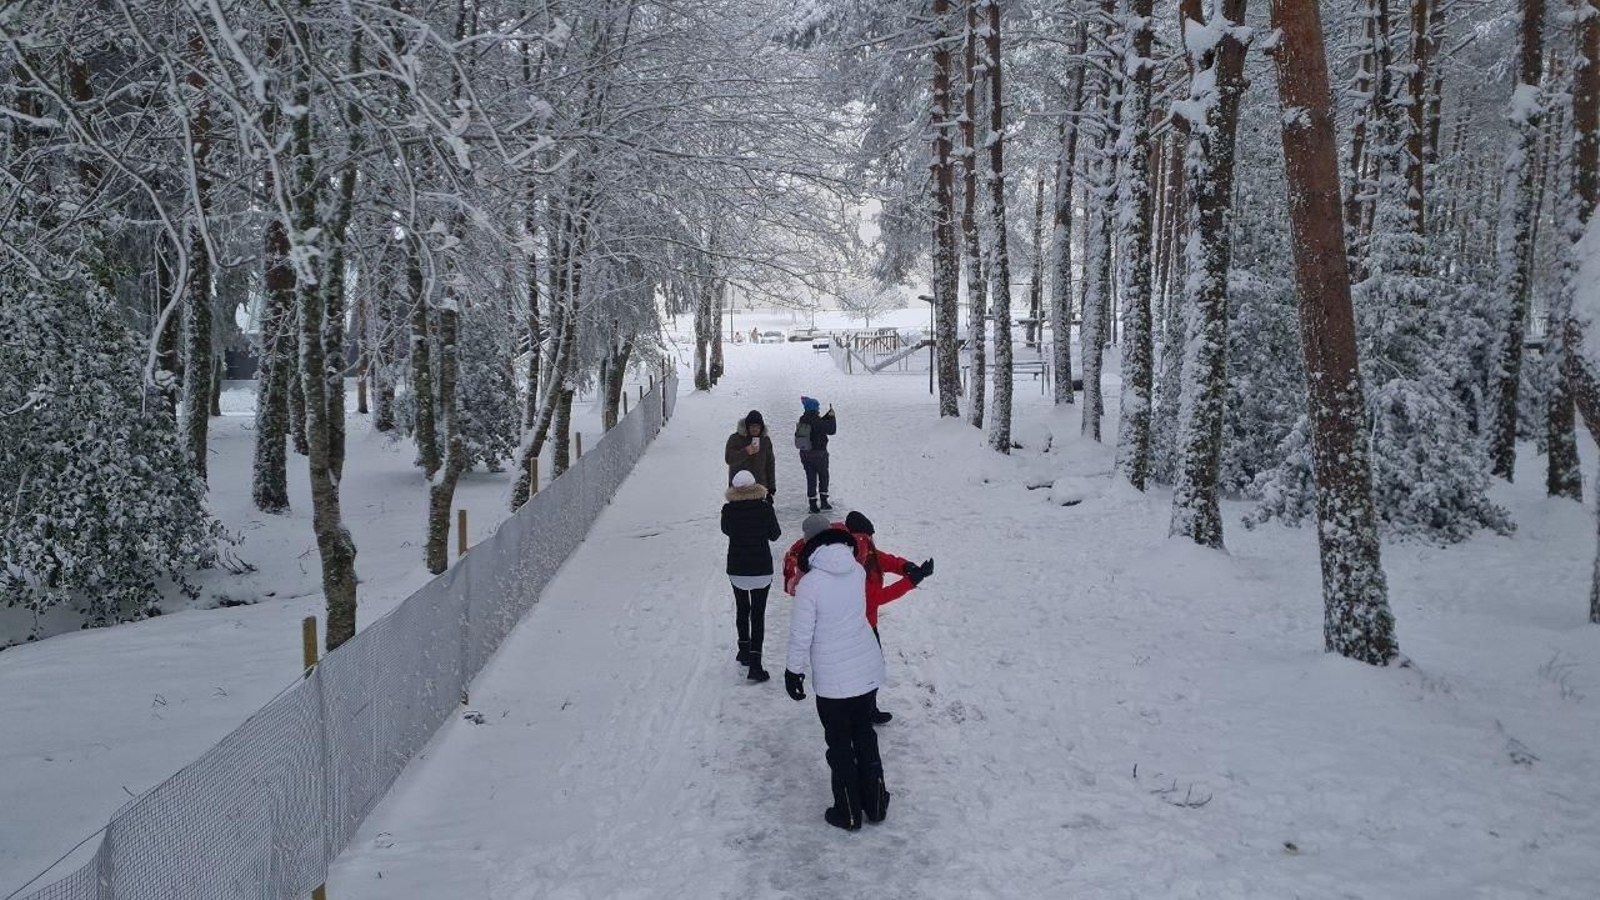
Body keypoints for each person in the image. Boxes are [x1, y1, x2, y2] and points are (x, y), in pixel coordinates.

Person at [785, 528, 889, 830]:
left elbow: (801, 634)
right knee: (865, 734)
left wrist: (793, 671)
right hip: (865, 668)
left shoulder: (810, 584)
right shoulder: (856, 570)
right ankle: (876, 802)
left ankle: (849, 811)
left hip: (834, 678)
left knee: (840, 742)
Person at [843, 511, 932, 725]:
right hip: (857, 628)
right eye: (868, 538)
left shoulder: (866, 551)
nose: (870, 542)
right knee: (864, 672)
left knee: (872, 669)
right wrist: (911, 581)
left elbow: (885, 560)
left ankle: (869, 709)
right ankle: (861, 714)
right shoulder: (853, 565)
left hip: (869, 624)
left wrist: (907, 566)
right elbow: (876, 598)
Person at [721, 470, 781, 682]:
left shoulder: (728, 510)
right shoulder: (764, 508)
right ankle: (756, 663)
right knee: (757, 613)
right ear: (755, 486)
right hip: (761, 569)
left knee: (742, 608)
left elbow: (726, 530)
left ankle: (743, 650)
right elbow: (775, 535)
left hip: (737, 568)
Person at [793, 397, 837, 514]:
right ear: (814, 408)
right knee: (823, 476)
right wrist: (832, 417)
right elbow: (831, 430)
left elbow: (819, 424)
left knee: (811, 478)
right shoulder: (816, 420)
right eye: (818, 407)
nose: (819, 409)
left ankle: (812, 504)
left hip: (805, 454)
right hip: (819, 454)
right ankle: (824, 501)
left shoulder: (803, 419)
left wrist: (826, 416)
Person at [725, 410, 776, 502]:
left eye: (758, 426)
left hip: (759, 488)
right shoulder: (735, 438)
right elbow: (729, 459)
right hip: (739, 489)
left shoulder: (765, 440)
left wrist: (771, 488)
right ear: (747, 426)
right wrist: (745, 452)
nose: (755, 429)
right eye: (752, 426)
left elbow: (770, 464)